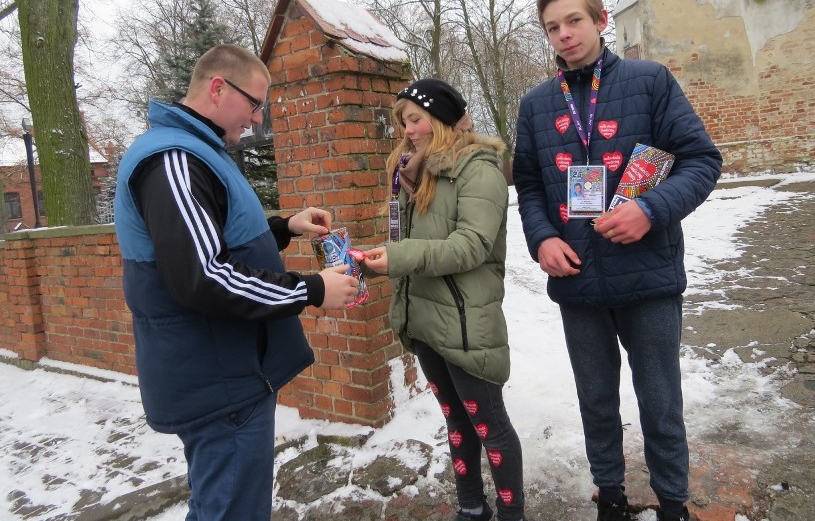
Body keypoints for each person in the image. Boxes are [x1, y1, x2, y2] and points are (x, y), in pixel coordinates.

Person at [113, 44, 359, 521]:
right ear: (218, 87)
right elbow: (203, 276)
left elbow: (214, 240)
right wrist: (311, 289)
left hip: (228, 368)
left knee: (226, 503)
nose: (258, 118)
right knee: (231, 510)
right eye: (254, 103)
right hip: (219, 376)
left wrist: (285, 226)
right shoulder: (174, 160)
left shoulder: (199, 150)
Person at [512, 0, 722, 521]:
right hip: (577, 279)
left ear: (601, 19)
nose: (564, 35)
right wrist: (542, 240)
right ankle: (610, 497)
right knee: (596, 402)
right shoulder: (535, 105)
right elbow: (530, 186)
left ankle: (672, 503)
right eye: (553, 27)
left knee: (660, 402)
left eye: (573, 21)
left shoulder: (650, 82)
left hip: (647, 276)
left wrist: (649, 210)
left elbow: (701, 160)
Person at [360, 79, 527, 521]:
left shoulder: (479, 170)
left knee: (490, 427)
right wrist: (377, 259)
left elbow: (470, 245)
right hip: (423, 319)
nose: (408, 130)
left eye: (415, 120)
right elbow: (407, 238)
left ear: (442, 119)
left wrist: (397, 257)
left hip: (466, 324)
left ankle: (514, 515)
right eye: (403, 122)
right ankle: (472, 507)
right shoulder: (410, 172)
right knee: (456, 421)